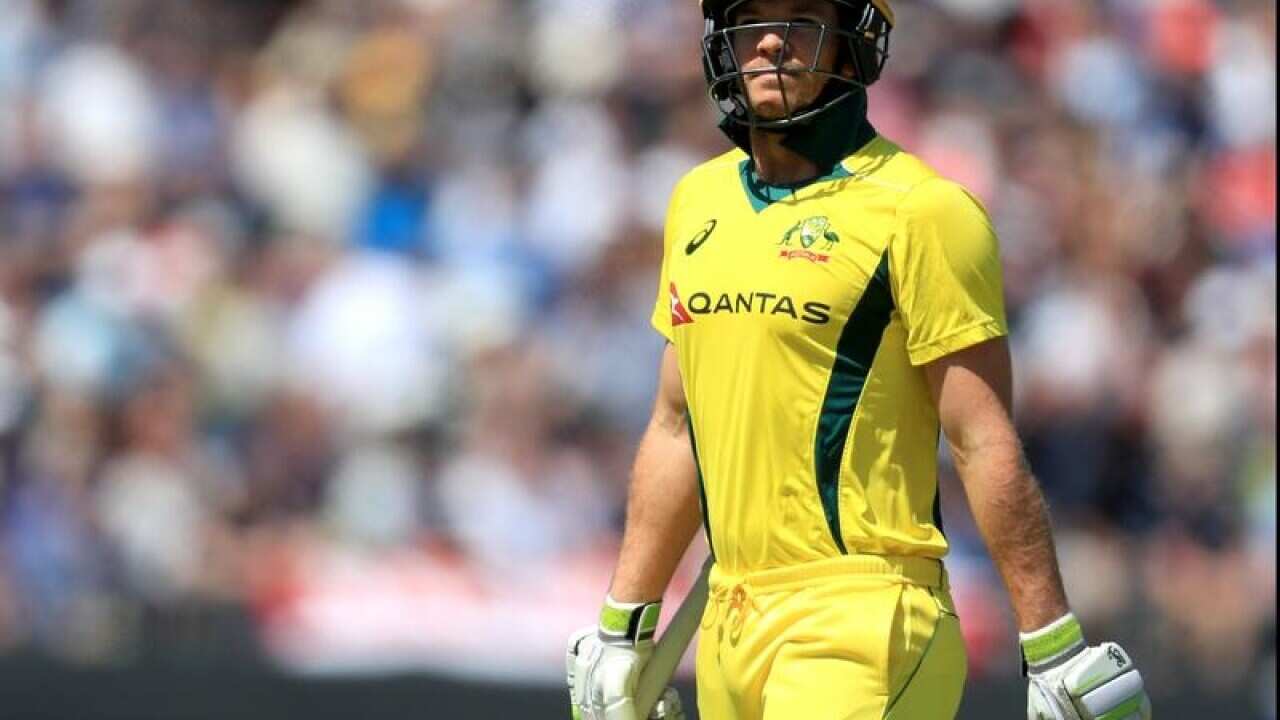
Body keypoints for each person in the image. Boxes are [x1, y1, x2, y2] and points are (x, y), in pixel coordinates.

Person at [567, 1, 1153, 718]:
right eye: (751, 20)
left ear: (854, 46)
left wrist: (1053, 641)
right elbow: (677, 424)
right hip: (727, 618)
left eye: (802, 19)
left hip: (864, 614)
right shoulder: (697, 200)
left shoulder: (923, 210)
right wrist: (623, 622)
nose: (772, 42)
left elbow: (981, 437)